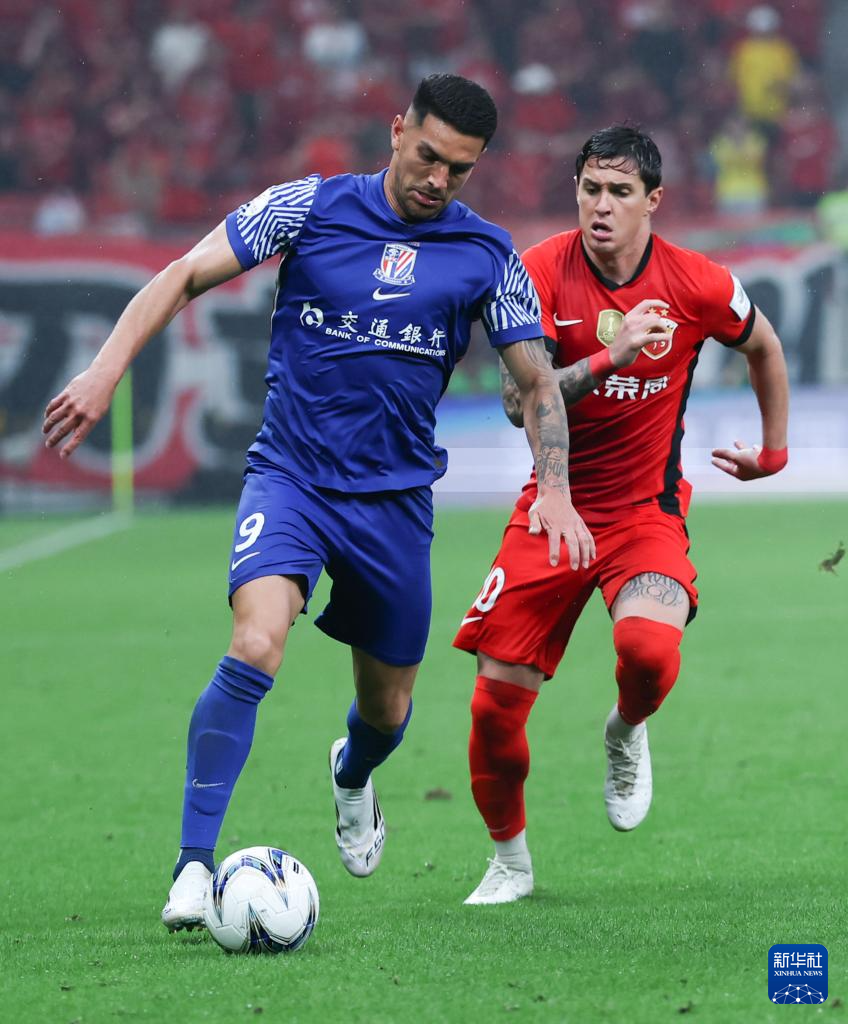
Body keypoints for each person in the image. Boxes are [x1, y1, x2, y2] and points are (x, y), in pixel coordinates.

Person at [41, 74, 594, 931]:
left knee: (387, 711)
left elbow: (537, 382)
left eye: (458, 169)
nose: (438, 179)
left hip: (395, 502)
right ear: (397, 129)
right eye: (427, 156)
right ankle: (192, 868)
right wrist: (105, 370)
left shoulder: (487, 254)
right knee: (256, 641)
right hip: (291, 478)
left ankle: (352, 773)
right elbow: (185, 273)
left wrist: (554, 487)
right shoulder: (307, 206)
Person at [453, 125, 789, 905]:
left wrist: (774, 453)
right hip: (554, 503)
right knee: (494, 703)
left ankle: (626, 728)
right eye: (590, 189)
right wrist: (611, 357)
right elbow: (516, 403)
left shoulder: (698, 282)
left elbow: (764, 347)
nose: (601, 206)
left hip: (645, 511)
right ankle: (510, 862)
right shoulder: (536, 271)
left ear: (653, 200)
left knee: (647, 650)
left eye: (619, 192)